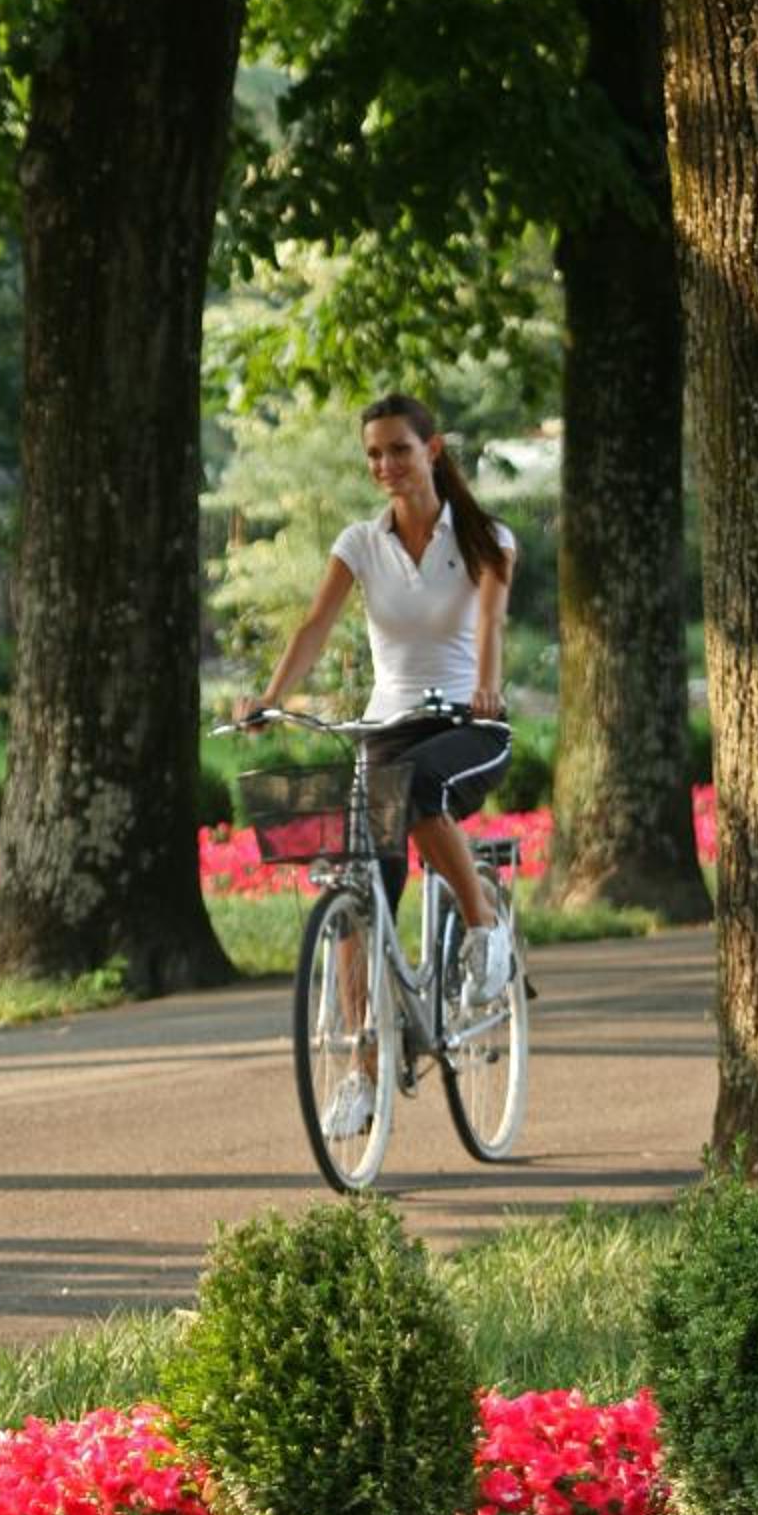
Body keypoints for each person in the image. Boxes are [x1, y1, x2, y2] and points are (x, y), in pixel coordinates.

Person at [236, 394, 517, 1083]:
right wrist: (271, 697)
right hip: (386, 729)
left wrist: (486, 687)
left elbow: (490, 623)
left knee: (418, 790)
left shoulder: (485, 536)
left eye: (399, 449)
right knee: (359, 895)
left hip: (467, 724)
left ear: (432, 451)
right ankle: (364, 1073)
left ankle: (483, 928)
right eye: (373, 454)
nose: (385, 464)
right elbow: (315, 626)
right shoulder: (361, 543)